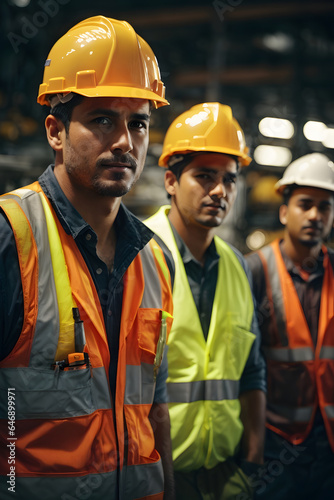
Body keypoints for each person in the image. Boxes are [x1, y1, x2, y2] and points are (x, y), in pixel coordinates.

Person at [0, 16, 175, 500]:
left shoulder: (155, 261)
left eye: (138, 123)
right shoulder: (11, 238)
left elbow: (153, 411)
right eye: (102, 119)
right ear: (55, 131)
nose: (125, 141)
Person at [145, 102, 267, 500]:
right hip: (153, 475)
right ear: (171, 181)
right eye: (204, 176)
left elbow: (251, 370)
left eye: (229, 180)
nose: (220, 191)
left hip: (226, 474)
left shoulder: (237, 266)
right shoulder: (138, 256)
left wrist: (252, 456)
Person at [246, 153, 334, 500]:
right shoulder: (255, 270)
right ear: (285, 212)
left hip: (328, 445)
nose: (315, 215)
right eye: (305, 204)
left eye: (324, 207)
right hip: (276, 445)